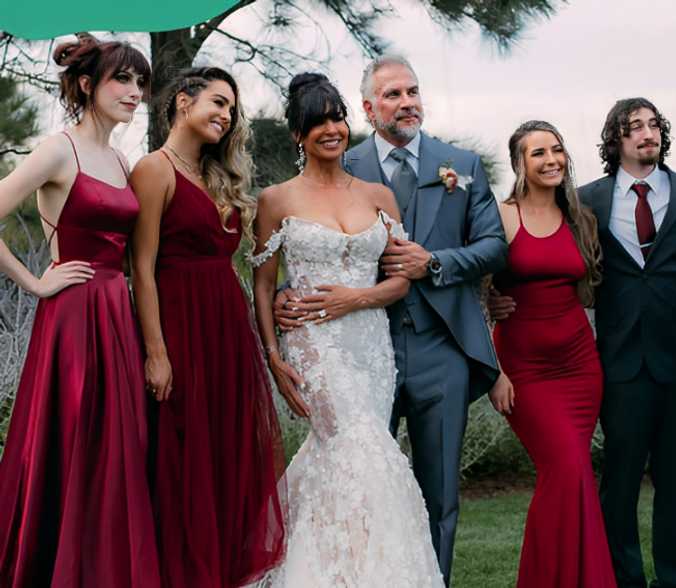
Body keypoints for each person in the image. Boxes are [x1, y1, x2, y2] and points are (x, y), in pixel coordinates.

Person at [276, 54, 505, 585]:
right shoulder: (341, 162)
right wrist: (290, 293)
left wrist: (438, 263)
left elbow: (494, 245)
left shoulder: (462, 165)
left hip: (438, 348)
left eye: (413, 91)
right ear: (368, 107)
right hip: (355, 354)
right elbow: (313, 242)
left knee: (438, 491)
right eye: (394, 95)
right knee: (354, 482)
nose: (407, 103)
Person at [491, 97, 676, 588]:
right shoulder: (585, 203)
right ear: (616, 141)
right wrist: (500, 301)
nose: (647, 134)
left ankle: (675, 578)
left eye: (653, 125)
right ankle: (623, 578)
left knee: (675, 485)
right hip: (615, 364)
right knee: (617, 484)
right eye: (634, 128)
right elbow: (544, 262)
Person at [249, 72, 442, 587]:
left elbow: (401, 279)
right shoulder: (276, 200)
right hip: (314, 345)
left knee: (346, 457)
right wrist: (274, 356)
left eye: (336, 117)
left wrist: (357, 298)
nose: (331, 129)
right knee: (364, 451)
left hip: (371, 344)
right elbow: (264, 285)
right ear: (298, 134)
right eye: (318, 122)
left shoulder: (379, 195)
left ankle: (332, 570)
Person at [0, 34, 160, 587]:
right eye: (123, 79)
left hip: (118, 315)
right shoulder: (56, 149)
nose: (135, 92)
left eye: (140, 82)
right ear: (88, 85)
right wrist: (34, 283)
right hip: (72, 318)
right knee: (71, 442)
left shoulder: (119, 157)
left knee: (117, 448)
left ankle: (103, 569)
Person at [129, 66, 285, 588]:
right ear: (181, 102)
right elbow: (141, 268)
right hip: (180, 328)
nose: (225, 115)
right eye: (217, 102)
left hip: (226, 332)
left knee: (225, 453)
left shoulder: (217, 176)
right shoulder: (154, 169)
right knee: (183, 457)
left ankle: (223, 574)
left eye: (231, 109)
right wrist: (157, 351)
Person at [487, 120, 614, 587]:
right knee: (565, 467)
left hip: (581, 366)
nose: (551, 160)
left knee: (573, 472)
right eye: (537, 153)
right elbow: (473, 292)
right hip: (525, 370)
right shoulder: (501, 216)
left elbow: (590, 287)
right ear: (519, 163)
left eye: (557, 150)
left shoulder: (581, 218)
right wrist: (493, 372)